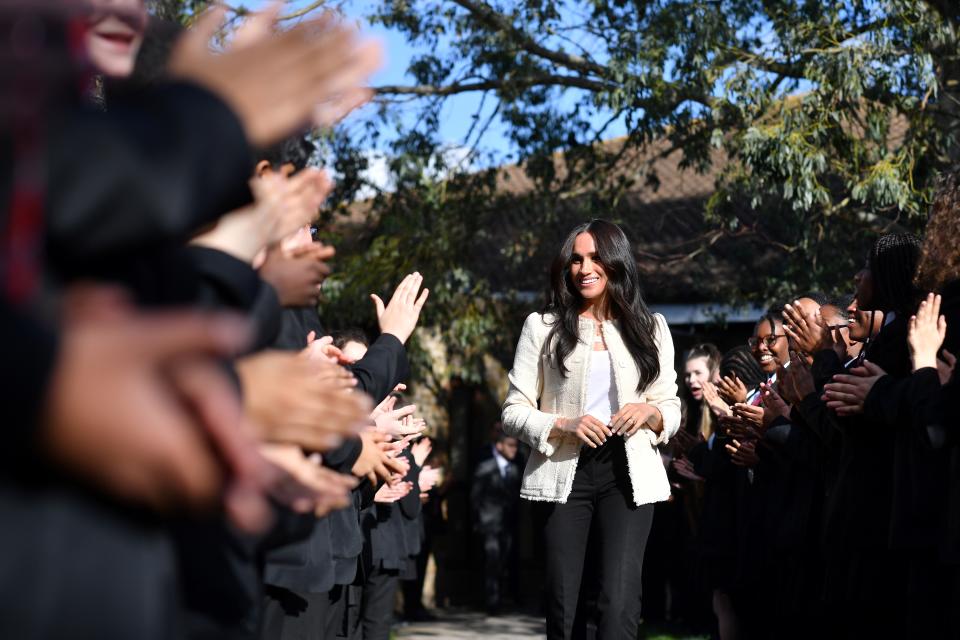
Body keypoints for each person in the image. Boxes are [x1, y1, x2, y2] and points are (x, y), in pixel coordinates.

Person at [501, 219, 681, 640]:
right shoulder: (541, 327)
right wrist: (564, 423)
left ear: (617, 262)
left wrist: (649, 414)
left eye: (596, 258)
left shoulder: (651, 328)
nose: (585, 268)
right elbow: (512, 411)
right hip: (564, 474)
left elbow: (670, 406)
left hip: (629, 474)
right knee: (565, 607)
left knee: (619, 605)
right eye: (576, 259)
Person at [471, 432, 521, 614]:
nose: (514, 449)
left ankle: (500, 598)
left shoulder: (514, 469)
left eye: (516, 446)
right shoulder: (485, 468)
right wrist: (478, 521)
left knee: (502, 561)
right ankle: (491, 603)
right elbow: (475, 497)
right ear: (499, 446)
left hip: (507, 525)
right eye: (510, 445)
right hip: (489, 524)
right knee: (491, 561)